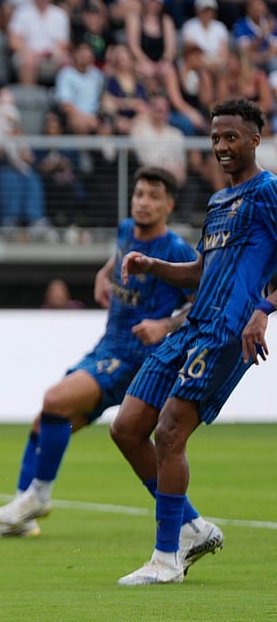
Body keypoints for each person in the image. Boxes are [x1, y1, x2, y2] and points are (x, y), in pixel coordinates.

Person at [0, 167, 197, 540]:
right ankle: (22, 519)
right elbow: (118, 259)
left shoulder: (176, 251)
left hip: (134, 358)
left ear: (169, 205)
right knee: (44, 422)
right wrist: (103, 271)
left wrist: (165, 326)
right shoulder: (127, 230)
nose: (143, 202)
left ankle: (38, 497)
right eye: (139, 194)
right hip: (106, 346)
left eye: (153, 196)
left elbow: (201, 303)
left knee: (55, 400)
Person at [111, 98, 277, 585]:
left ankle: (167, 560)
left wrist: (264, 310)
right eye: (215, 138)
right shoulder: (219, 201)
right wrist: (151, 264)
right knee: (126, 427)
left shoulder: (268, 193)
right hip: (193, 325)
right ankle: (192, 527)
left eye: (231, 137)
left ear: (254, 140)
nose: (222, 146)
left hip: (227, 331)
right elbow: (202, 271)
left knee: (169, 432)